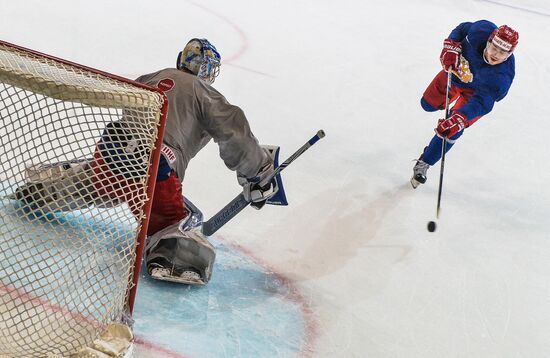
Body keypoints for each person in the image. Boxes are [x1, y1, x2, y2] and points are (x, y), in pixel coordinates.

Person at [13, 38, 286, 285]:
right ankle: (172, 255)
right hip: (154, 172)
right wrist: (258, 171)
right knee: (185, 219)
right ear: (207, 70)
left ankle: (45, 192)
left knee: (101, 184)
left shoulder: (150, 77)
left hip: (110, 154)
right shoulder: (203, 92)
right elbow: (233, 131)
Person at [411, 20, 518, 188]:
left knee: (451, 130)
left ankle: (424, 163)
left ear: (509, 55)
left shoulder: (501, 78)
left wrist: (460, 118)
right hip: (454, 76)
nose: (496, 54)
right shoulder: (481, 29)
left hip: (475, 96)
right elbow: (462, 29)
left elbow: (483, 103)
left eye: (502, 53)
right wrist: (451, 46)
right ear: (489, 41)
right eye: (494, 48)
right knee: (427, 104)